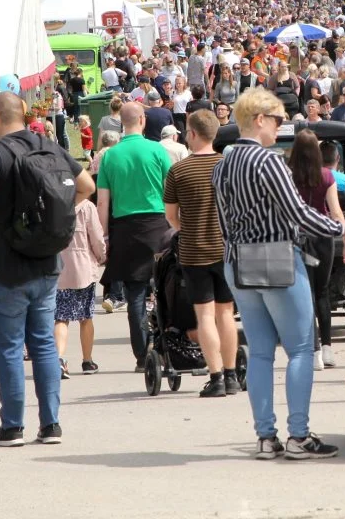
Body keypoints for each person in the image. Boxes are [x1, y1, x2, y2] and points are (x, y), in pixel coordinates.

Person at [212, 88, 345, 460]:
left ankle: (266, 436)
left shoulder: (223, 164)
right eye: (277, 120)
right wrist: (339, 229)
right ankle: (298, 434)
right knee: (299, 348)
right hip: (277, 256)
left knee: (260, 352)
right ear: (259, 119)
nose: (280, 128)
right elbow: (297, 212)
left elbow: (223, 220)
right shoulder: (269, 162)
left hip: (237, 259)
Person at [0, 91, 95, 446]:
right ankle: (51, 425)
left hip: (6, 266)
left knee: (9, 348)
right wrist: (52, 220)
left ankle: (12, 425)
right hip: (47, 263)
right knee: (45, 345)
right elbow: (86, 186)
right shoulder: (48, 145)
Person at [165, 110, 241, 398]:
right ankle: (233, 374)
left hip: (194, 250)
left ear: (193, 134)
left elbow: (171, 217)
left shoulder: (179, 171)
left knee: (204, 315)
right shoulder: (228, 166)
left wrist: (190, 225)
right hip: (226, 249)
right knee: (226, 313)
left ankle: (216, 375)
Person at [96, 103, 175, 373]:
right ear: (142, 120)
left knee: (135, 295)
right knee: (165, 290)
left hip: (125, 229)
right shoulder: (158, 150)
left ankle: (142, 355)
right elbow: (171, 191)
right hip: (158, 226)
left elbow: (102, 202)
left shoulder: (110, 156)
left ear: (121, 123)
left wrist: (103, 235)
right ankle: (168, 347)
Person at [288, 129, 345, 371]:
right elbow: (335, 212)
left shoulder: (288, 175)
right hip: (322, 237)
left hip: (296, 237)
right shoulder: (326, 176)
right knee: (322, 292)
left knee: (305, 295)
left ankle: (312, 351)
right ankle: (327, 348)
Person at [55, 198, 106, 379]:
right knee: (86, 317)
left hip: (58, 268)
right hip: (83, 267)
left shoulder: (53, 201)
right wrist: (101, 256)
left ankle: (58, 360)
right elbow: (97, 237)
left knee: (61, 318)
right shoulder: (86, 207)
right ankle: (87, 360)